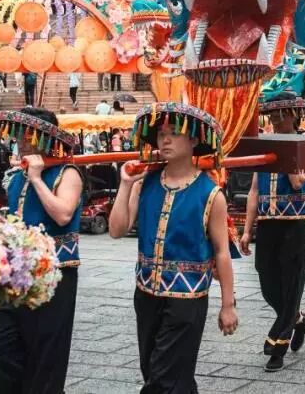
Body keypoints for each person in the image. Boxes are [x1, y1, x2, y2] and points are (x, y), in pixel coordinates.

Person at [108, 103, 238, 393]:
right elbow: (116, 230)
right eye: (160, 134)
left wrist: (228, 305)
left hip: (187, 300)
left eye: (173, 134)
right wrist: (125, 185)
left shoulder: (211, 194)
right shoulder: (145, 184)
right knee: (158, 371)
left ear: (193, 140)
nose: (164, 140)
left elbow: (222, 252)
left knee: (163, 378)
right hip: (145, 295)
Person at [0, 107, 83, 393]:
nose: (21, 142)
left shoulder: (68, 173)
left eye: (29, 136)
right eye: (19, 136)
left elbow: (63, 215)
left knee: (46, 355)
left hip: (54, 273)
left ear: (46, 139)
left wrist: (38, 179)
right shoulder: (17, 175)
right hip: (17, 274)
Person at [238, 93, 305, 373]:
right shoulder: (264, 145)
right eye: (272, 114)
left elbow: (297, 183)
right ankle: (298, 319)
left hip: (295, 223)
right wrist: (247, 230)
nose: (274, 119)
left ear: (293, 115)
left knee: (291, 283)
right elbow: (254, 190)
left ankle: (277, 345)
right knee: (267, 281)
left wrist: (289, 153)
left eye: (280, 114)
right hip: (268, 224)